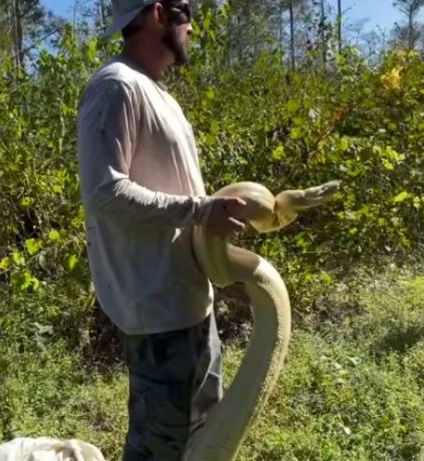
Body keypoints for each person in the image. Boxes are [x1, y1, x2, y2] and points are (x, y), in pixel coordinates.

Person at [76, 1, 248, 459]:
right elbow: (105, 193)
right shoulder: (116, 86)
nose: (192, 25)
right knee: (159, 448)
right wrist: (201, 211)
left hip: (189, 298)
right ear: (157, 13)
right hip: (157, 309)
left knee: (202, 438)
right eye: (185, 10)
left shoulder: (158, 93)